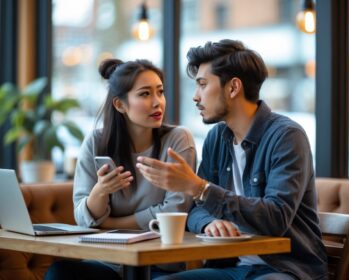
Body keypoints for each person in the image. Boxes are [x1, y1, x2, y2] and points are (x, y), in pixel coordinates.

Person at [136, 39, 328, 280]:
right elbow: (195, 210)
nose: (196, 96)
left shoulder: (287, 136)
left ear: (233, 87)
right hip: (230, 266)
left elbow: (276, 218)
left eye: (203, 85)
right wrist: (207, 223)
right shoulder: (217, 138)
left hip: (286, 269)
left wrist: (199, 188)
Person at [44, 58, 196, 280]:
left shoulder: (178, 139)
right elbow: (84, 219)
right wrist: (101, 191)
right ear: (120, 105)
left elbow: (174, 210)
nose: (158, 103)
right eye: (145, 94)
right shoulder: (96, 141)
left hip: (159, 266)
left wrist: (110, 224)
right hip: (108, 263)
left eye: (160, 92)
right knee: (60, 273)